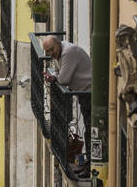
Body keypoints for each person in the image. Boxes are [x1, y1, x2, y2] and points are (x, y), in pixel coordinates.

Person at [42, 34, 92, 172]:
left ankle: (91, 164)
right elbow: (59, 73)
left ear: (58, 44)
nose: (50, 54)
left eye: (52, 50)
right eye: (47, 52)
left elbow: (63, 79)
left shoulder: (68, 53)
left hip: (89, 92)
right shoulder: (59, 54)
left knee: (90, 128)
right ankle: (88, 163)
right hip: (83, 92)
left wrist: (55, 77)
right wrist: (54, 76)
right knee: (89, 127)